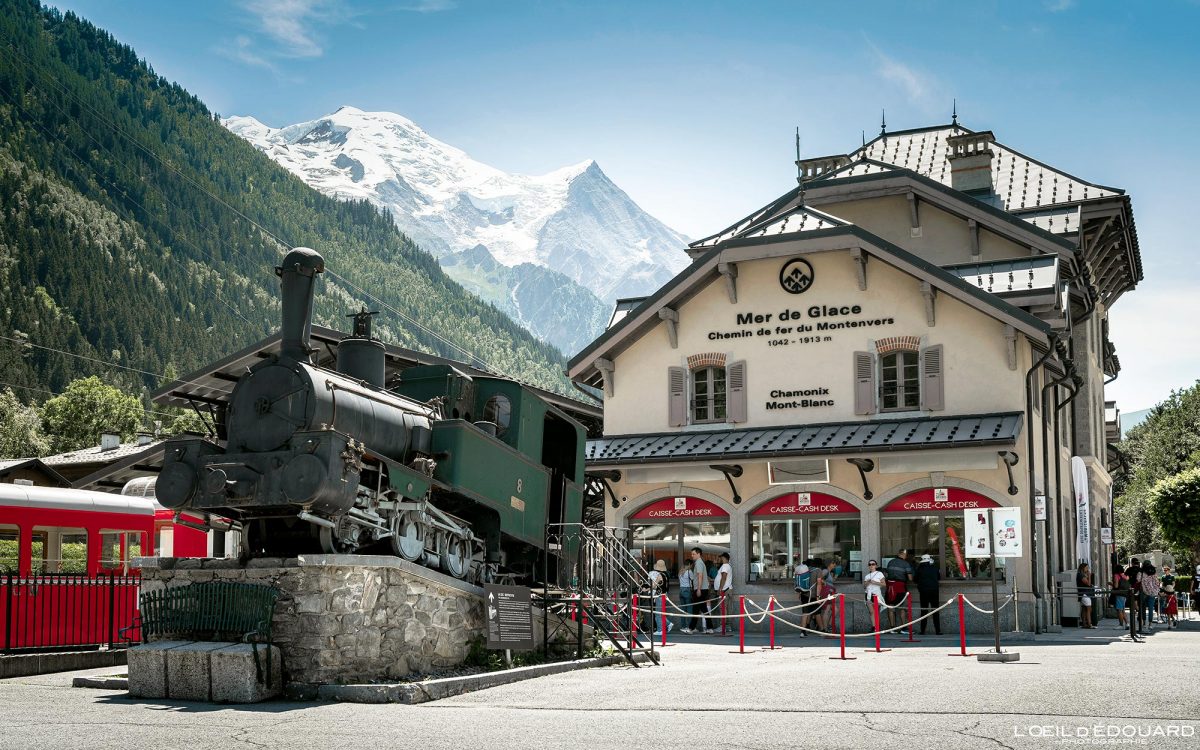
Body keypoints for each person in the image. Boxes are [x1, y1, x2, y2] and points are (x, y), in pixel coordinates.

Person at [884, 549, 915, 629]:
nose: (906, 557)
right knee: (902, 608)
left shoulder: (890, 562)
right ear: (903, 555)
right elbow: (910, 578)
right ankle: (903, 628)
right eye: (906, 555)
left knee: (890, 607)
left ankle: (892, 627)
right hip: (900, 586)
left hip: (890, 587)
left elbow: (886, 575)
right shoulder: (906, 563)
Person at [914, 553, 942, 635]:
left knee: (924, 611)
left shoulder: (919, 569)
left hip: (923, 591)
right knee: (935, 610)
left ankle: (922, 631)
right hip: (934, 591)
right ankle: (938, 631)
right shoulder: (935, 568)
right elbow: (938, 577)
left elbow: (915, 580)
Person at [688, 547, 711, 634]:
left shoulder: (699, 563)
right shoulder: (700, 562)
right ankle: (708, 628)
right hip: (702, 588)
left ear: (698, 554)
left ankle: (691, 628)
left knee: (697, 609)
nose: (692, 555)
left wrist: (698, 589)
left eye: (693, 554)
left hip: (700, 589)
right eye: (691, 554)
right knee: (702, 609)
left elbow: (700, 576)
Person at [647, 560, 672, 636]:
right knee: (661, 613)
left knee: (658, 614)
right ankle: (668, 623)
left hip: (659, 596)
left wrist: (647, 589)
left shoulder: (659, 575)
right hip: (665, 595)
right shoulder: (666, 574)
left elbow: (654, 586)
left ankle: (660, 630)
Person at [794, 556, 813, 637]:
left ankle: (805, 628)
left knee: (806, 612)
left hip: (803, 593)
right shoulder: (811, 572)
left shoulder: (803, 572)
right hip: (810, 594)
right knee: (806, 613)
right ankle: (803, 630)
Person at [1125, 558, 1143, 635]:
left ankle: (1137, 611)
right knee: (1139, 601)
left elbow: (1126, 578)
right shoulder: (1140, 570)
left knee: (1133, 600)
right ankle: (1139, 613)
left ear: (1132, 563)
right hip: (1140, 588)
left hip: (1132, 587)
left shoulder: (1129, 569)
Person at [1141, 560, 1161, 630]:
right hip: (1152, 593)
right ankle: (1150, 624)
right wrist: (1156, 590)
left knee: (1143, 608)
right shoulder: (1154, 572)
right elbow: (1157, 583)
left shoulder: (1142, 573)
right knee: (1150, 608)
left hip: (1144, 592)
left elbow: (1139, 581)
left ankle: (1144, 623)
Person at [677, 561, 696, 633]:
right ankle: (690, 627)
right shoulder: (689, 572)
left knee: (683, 610)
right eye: (691, 565)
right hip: (687, 590)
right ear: (689, 564)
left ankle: (683, 626)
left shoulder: (680, 571)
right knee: (689, 609)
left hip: (681, 590)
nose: (691, 566)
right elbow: (694, 579)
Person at [1076, 562, 1094, 629]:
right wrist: (1089, 576)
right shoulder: (1081, 575)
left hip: (1084, 593)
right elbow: (1088, 584)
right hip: (1084, 594)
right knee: (1089, 609)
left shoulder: (1082, 575)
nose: (1087, 569)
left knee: (1084, 609)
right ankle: (1089, 624)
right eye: (1086, 568)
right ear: (1082, 568)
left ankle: (1084, 624)